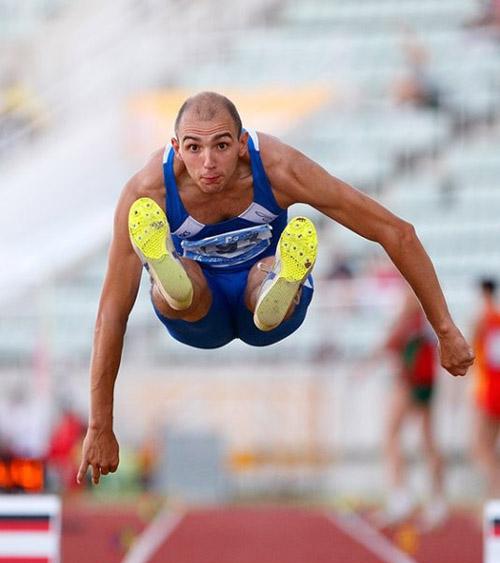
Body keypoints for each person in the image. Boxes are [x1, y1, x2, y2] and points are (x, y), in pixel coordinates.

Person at [77, 91, 474, 485]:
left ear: (242, 144)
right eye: (194, 148)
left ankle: (280, 280)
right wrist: (99, 425)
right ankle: (169, 274)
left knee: (260, 279)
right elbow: (112, 312)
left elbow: (396, 231)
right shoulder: (148, 192)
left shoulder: (279, 168)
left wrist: (445, 330)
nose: (208, 162)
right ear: (176, 148)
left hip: (266, 311)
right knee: (183, 287)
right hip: (199, 313)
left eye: (221, 146)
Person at [375, 285, 447, 529]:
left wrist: (369, 361)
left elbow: (393, 338)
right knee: (425, 438)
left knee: (396, 434)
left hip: (411, 378)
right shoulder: (422, 300)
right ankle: (431, 501)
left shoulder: (413, 297)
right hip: (421, 376)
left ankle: (404, 498)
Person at [471, 278, 500, 496]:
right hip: (493, 385)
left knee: (481, 446)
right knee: (489, 446)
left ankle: (496, 490)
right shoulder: (496, 317)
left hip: (489, 388)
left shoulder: (482, 319)